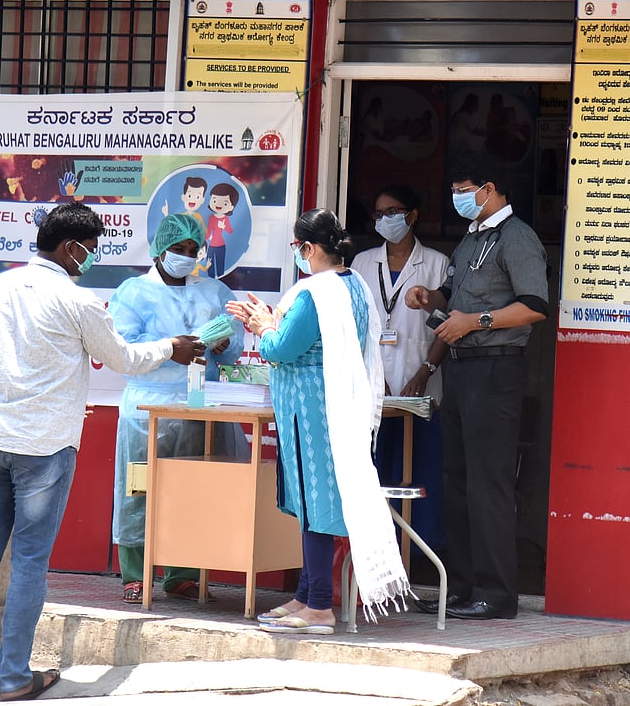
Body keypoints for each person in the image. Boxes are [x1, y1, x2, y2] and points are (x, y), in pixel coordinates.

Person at [0, 203, 205, 704]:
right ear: (70, 248)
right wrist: (172, 347)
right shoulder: (77, 300)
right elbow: (124, 358)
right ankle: (14, 677)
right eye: (90, 249)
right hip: (44, 446)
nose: (92, 258)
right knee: (30, 559)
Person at [226, 209, 409, 634]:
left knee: (316, 506)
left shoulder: (313, 293)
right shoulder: (353, 283)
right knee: (313, 505)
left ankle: (320, 607)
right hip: (331, 406)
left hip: (312, 410)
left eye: (297, 247)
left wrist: (264, 326)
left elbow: (282, 348)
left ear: (308, 248)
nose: (297, 255)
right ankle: (306, 596)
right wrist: (271, 322)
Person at [404, 162, 549, 621]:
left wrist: (476, 321)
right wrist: (430, 297)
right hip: (462, 370)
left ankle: (497, 594)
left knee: (488, 484)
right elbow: (452, 295)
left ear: (489, 188)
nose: (458, 198)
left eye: (463, 190)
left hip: (497, 369)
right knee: (458, 482)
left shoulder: (517, 238)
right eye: (453, 190)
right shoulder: (471, 238)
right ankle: (462, 587)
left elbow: (534, 306)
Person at [109, 213, 247, 604]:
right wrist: (171, 348)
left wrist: (224, 345)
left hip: (199, 405)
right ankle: (135, 574)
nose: (185, 256)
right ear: (158, 250)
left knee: (192, 490)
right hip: (147, 404)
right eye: (177, 249)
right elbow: (123, 348)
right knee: (140, 487)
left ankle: (182, 574)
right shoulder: (134, 292)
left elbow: (233, 346)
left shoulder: (214, 292)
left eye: (192, 249)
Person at [350, 184, 449, 551]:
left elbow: (445, 325)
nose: (385, 220)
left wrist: (425, 371)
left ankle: (420, 556)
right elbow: (356, 326)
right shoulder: (362, 263)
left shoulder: (437, 263)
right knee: (377, 472)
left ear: (412, 216)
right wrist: (375, 377)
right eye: (379, 214)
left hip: (420, 390)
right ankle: (378, 553)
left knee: (421, 473)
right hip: (375, 392)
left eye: (393, 212)